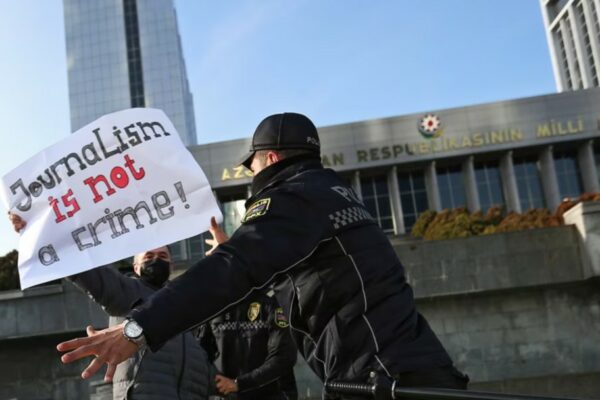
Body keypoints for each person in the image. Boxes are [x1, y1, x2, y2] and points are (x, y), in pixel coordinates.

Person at [56, 112, 469, 392]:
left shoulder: (294, 197)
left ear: (269, 158)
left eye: (251, 165)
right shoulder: (328, 194)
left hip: (383, 376)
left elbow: (235, 270)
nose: (251, 173)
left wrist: (136, 330)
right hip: (398, 370)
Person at [10, 214, 217, 400]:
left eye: (163, 257)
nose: (156, 260)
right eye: (148, 257)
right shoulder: (127, 292)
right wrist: (39, 231)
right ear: (136, 267)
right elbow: (84, 267)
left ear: (172, 266)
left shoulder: (185, 304)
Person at [200, 218, 298, 400]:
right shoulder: (212, 305)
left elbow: (283, 357)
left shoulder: (272, 298)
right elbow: (200, 353)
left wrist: (239, 384)